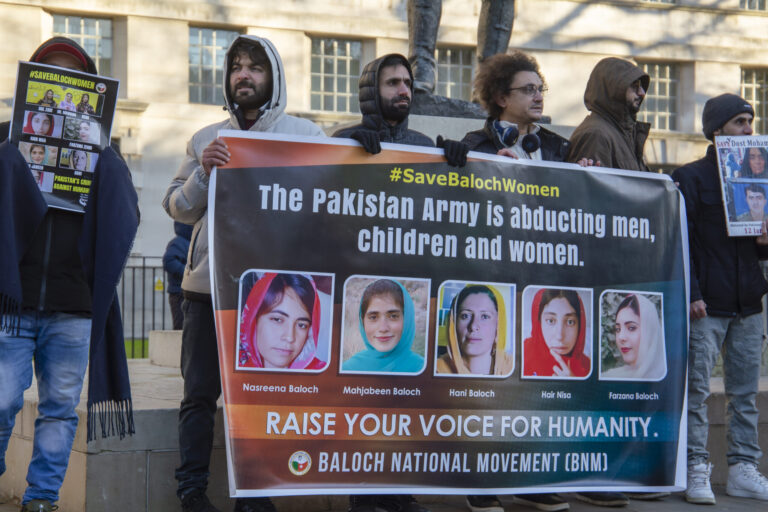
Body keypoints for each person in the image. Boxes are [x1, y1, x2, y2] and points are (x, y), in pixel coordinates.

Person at [163, 34, 324, 512]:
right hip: (206, 290)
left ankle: (255, 495)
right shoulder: (205, 139)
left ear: (273, 76)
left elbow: (329, 205)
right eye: (236, 67)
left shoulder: (306, 136)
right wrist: (203, 173)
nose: (244, 75)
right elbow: (176, 206)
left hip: (275, 298)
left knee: (260, 400)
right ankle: (191, 493)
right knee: (198, 398)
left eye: (255, 67)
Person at [0, 37, 138, 512]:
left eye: (73, 79)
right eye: (50, 75)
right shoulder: (6, 139)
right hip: (13, 300)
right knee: (0, 399)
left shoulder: (104, 154)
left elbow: (125, 216)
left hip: (73, 305)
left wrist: (110, 157)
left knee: (59, 409)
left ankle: (41, 498)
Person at [672, 93, 768, 505]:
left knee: (744, 394)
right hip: (706, 304)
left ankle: (745, 467)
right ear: (717, 130)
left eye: (750, 121)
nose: (749, 129)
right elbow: (682, 242)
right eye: (739, 123)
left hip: (749, 303)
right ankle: (697, 468)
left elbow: (757, 251)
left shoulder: (759, 175)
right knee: (697, 393)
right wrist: (692, 294)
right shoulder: (690, 177)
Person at [333, 53, 468, 166]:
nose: (404, 91)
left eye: (408, 83)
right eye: (393, 83)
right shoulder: (343, 141)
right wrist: (349, 149)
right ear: (372, 91)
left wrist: (446, 163)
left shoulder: (424, 146)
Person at [462, 51, 570, 162]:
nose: (539, 98)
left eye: (540, 90)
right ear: (502, 99)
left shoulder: (558, 146)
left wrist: (584, 169)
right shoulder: (475, 147)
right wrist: (492, 168)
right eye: (529, 89)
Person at [567, 57, 650, 172]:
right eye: (634, 86)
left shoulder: (623, 132)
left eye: (641, 86)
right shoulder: (596, 134)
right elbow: (595, 188)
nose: (642, 93)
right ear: (614, 89)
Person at [238, 273, 326, 370]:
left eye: (301, 325)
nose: (290, 337)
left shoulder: (322, 374)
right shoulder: (229, 370)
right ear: (253, 320)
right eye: (277, 319)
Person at [342, 279, 424, 373]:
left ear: (407, 319)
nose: (383, 328)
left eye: (393, 316)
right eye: (373, 317)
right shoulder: (348, 370)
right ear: (362, 321)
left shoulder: (423, 369)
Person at [436, 284, 513, 376]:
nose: (473, 326)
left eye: (484, 316)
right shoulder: (436, 370)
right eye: (465, 316)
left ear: (499, 325)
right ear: (453, 323)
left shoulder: (512, 367)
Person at [523, 288, 590, 378]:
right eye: (550, 321)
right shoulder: (522, 357)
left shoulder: (587, 367)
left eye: (570, 322)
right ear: (538, 323)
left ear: (580, 325)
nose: (559, 336)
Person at [601, 294, 666, 380]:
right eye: (617, 329)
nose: (621, 337)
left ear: (650, 331)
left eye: (631, 328)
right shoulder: (609, 376)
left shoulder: (664, 379)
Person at [162, 221, 192, 330]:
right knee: (180, 327)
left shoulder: (188, 243)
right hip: (178, 293)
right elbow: (168, 261)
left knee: (187, 327)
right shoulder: (178, 243)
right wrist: (187, 273)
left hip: (186, 291)